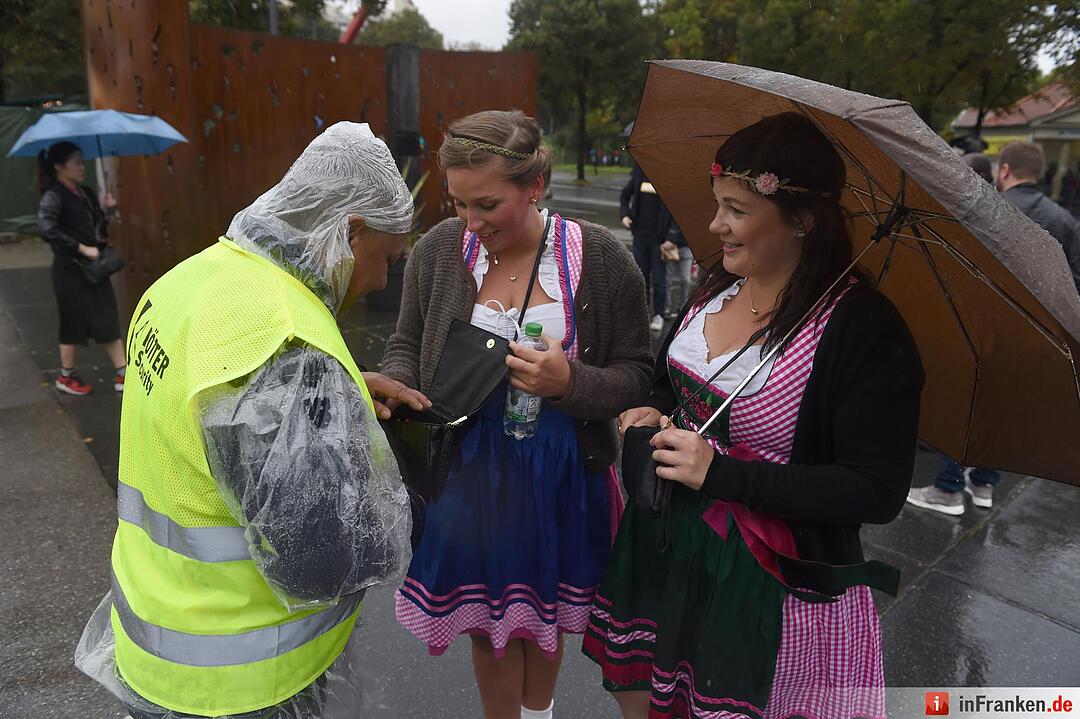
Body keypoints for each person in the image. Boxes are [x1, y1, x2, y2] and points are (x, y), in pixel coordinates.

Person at [74, 122, 425, 719]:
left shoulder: (192, 280)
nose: (381, 280)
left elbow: (207, 413)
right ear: (350, 229)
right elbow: (319, 559)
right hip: (242, 676)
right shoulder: (284, 345)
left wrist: (342, 397)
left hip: (154, 636)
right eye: (385, 259)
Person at [584, 112, 924, 719]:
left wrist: (723, 475)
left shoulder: (861, 327)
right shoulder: (717, 284)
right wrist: (652, 408)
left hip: (770, 581)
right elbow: (669, 379)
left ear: (802, 220)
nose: (716, 225)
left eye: (737, 209)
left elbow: (875, 490)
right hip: (671, 543)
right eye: (718, 204)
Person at [381, 110, 652, 719]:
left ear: (534, 187)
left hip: (562, 470)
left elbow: (639, 373)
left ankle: (539, 712)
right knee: (489, 621)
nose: (471, 223)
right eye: (457, 204)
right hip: (468, 467)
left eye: (487, 205)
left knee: (543, 612)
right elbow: (406, 343)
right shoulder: (437, 253)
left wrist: (569, 383)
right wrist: (394, 387)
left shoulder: (600, 260)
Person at [907, 152, 1001, 516]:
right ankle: (983, 485)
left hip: (970, 330)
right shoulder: (1003, 218)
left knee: (964, 407)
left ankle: (948, 488)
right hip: (995, 333)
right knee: (990, 410)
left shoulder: (965, 219)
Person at [36, 141, 127, 395]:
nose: (81, 166)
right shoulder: (53, 195)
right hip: (70, 269)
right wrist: (80, 248)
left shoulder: (84, 192)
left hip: (93, 269)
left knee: (105, 314)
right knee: (73, 321)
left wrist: (108, 210)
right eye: (76, 161)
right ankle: (68, 376)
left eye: (81, 160)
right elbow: (46, 228)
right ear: (59, 166)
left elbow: (97, 230)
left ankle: (122, 372)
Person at [995, 141, 1080, 295]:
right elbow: (1075, 283)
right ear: (1039, 174)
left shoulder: (989, 208)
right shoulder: (1065, 219)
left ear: (1005, 170)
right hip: (1044, 312)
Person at [621, 164, 682, 331]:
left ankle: (659, 315)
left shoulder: (670, 179)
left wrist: (672, 237)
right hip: (640, 236)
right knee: (640, 277)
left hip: (661, 240)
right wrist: (625, 215)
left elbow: (678, 211)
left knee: (659, 280)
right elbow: (625, 196)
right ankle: (641, 313)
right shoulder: (640, 172)